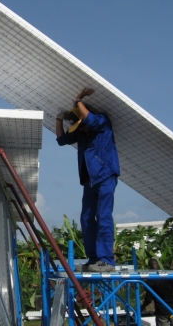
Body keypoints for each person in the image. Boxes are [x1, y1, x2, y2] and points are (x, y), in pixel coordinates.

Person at [56, 87, 120, 272]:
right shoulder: (82, 132)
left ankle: (106, 260)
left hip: (106, 175)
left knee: (103, 215)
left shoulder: (102, 122)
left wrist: (78, 100)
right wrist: (59, 118)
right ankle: (94, 258)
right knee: (86, 218)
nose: (81, 128)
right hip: (90, 179)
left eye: (81, 124)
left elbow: (90, 119)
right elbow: (61, 140)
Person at [141, 258, 173, 326]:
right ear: (158, 266)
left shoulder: (150, 281)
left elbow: (148, 299)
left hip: (161, 311)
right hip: (172, 309)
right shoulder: (169, 276)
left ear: (149, 268)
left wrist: (141, 307)